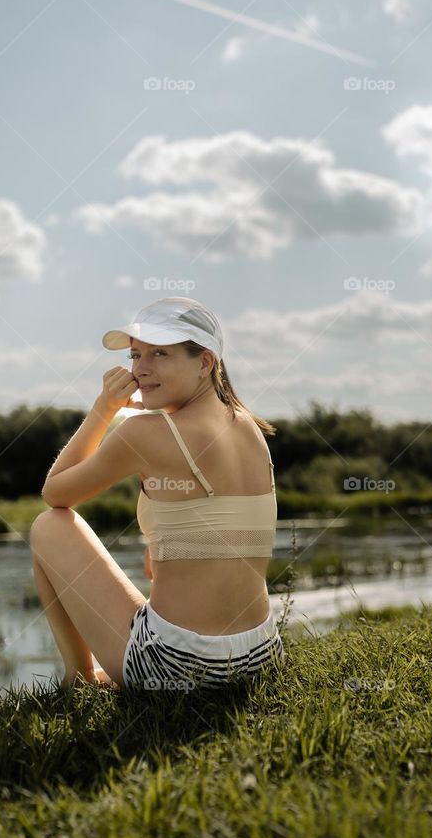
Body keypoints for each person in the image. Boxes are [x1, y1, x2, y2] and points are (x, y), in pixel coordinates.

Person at [29, 296, 285, 692]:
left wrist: (104, 408)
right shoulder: (250, 428)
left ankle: (79, 678)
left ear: (205, 363)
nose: (140, 370)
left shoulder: (144, 433)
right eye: (135, 355)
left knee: (49, 526)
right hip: (261, 655)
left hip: (178, 668)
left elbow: (55, 493)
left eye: (160, 354)